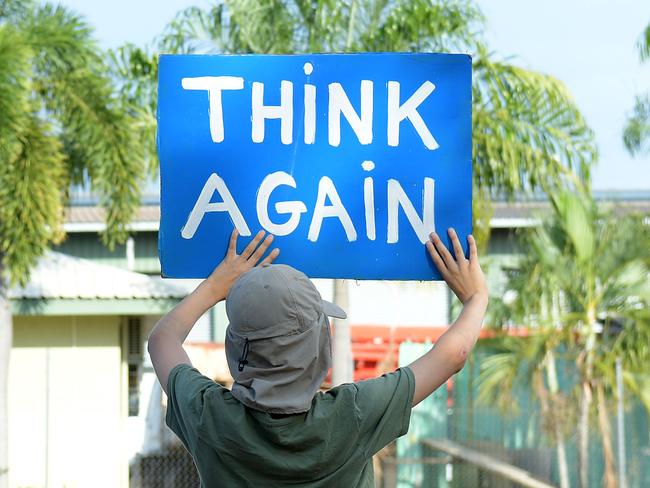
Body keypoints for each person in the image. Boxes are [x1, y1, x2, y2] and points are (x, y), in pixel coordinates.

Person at [148, 227, 488, 487]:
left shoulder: (208, 417)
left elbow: (162, 340)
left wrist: (214, 287)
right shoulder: (353, 415)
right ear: (320, 349)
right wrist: (476, 298)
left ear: (235, 347)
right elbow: (454, 354)